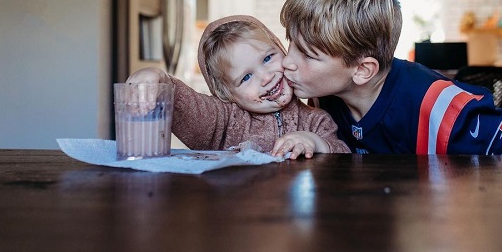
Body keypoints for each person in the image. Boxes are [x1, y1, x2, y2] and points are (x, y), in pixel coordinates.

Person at [276, 0, 502, 156]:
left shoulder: (444, 109)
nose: (287, 62)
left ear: (362, 70)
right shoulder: (324, 95)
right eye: (291, 44)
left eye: (308, 54)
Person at [127, 15, 350, 159]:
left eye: (267, 58)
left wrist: (315, 142)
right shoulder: (223, 119)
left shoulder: (316, 120)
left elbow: (343, 157)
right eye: (245, 78)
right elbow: (186, 104)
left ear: (281, 50)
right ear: (226, 93)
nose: (265, 77)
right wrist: (159, 78)